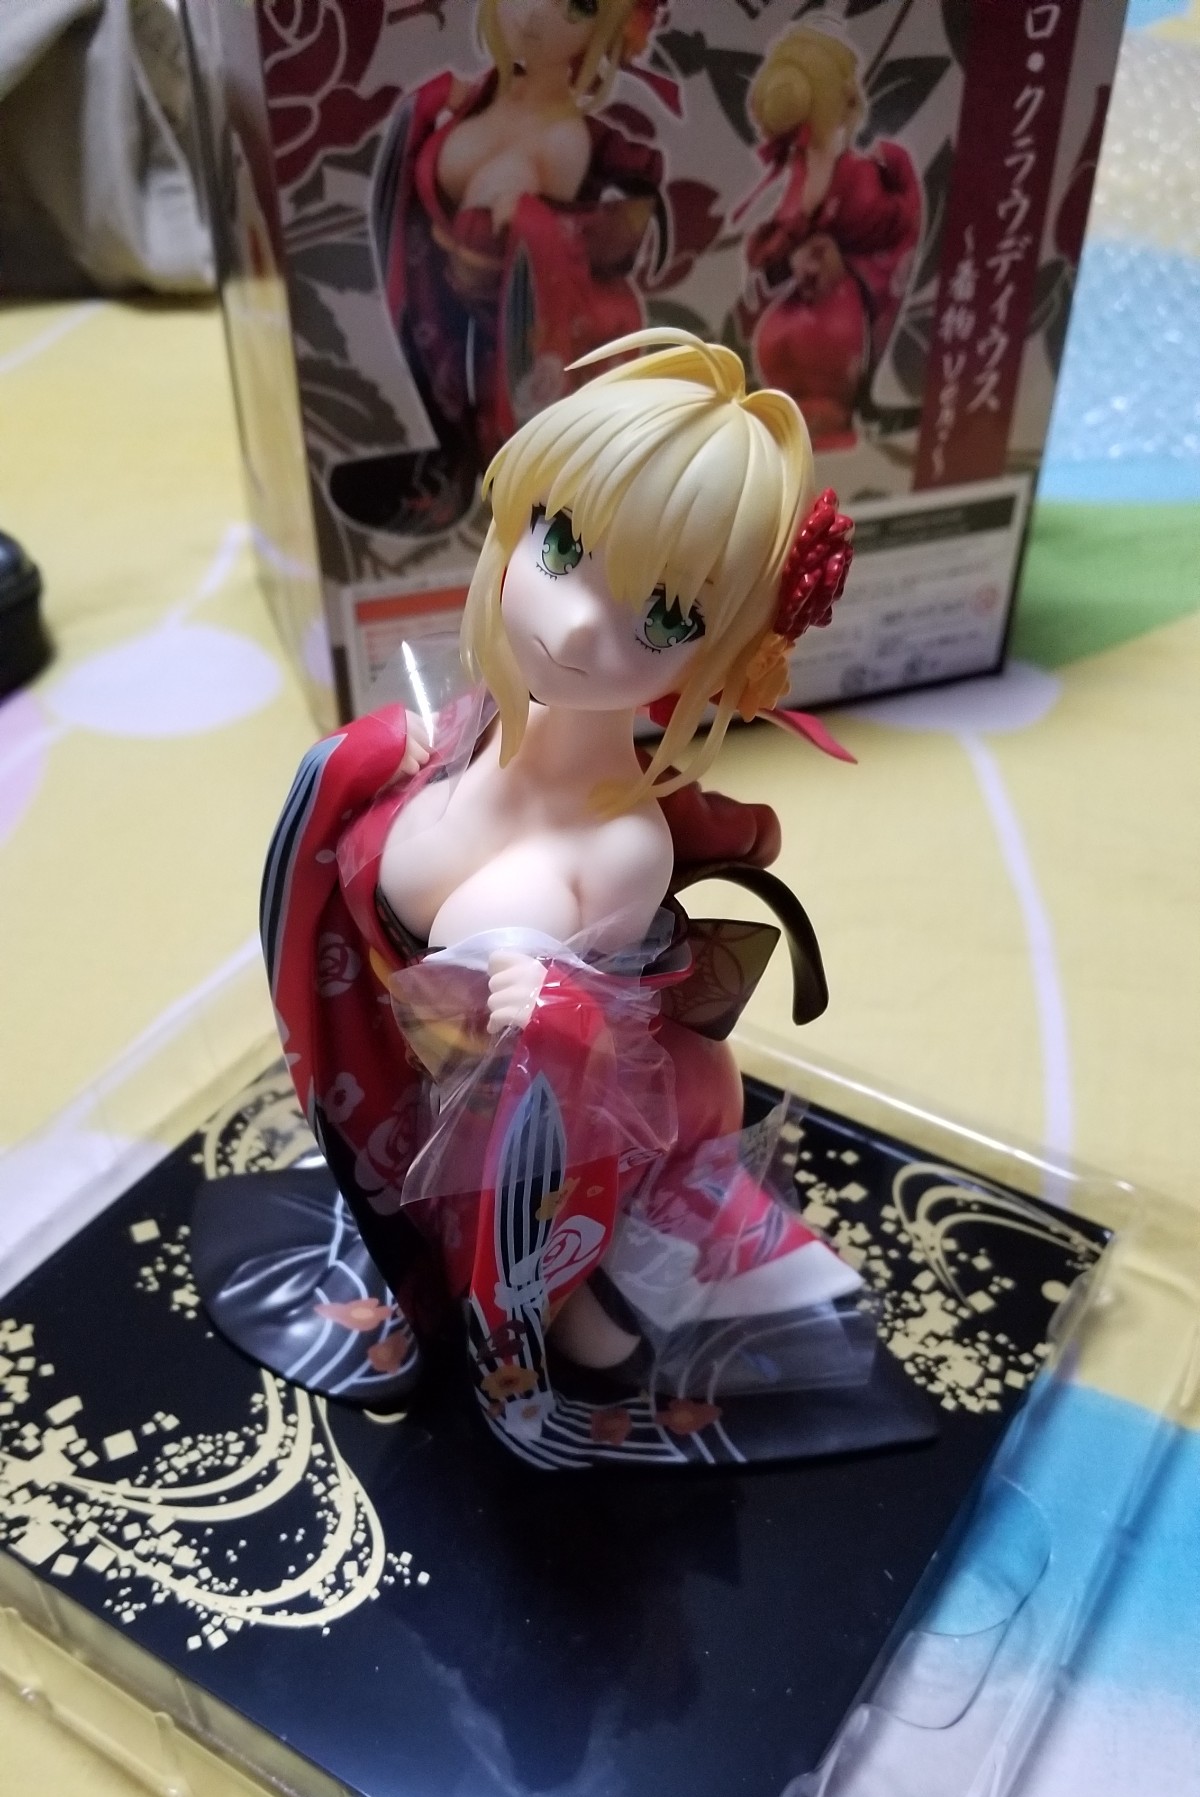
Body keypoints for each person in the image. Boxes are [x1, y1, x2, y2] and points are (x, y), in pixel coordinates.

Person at [231, 332, 872, 1468]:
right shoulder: (452, 734)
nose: (577, 626)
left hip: (534, 1160)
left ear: (717, 658)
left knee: (574, 1315)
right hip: (399, 1100)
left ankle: (619, 1285)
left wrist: (546, 1009)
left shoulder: (621, 847)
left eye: (664, 617)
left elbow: (582, 1073)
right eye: (562, 543)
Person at [329, 0, 668, 537]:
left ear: (604, 32)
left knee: (518, 453)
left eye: (576, 7)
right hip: (437, 310)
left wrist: (535, 218)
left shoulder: (577, 141)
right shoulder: (470, 101)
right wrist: (429, 104)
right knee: (441, 410)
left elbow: (604, 241)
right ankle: (449, 470)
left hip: (519, 325)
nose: (532, 14)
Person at [738, 28, 921, 450]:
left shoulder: (854, 177)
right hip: (791, 327)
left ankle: (828, 422)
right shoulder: (803, 172)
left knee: (819, 395)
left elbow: (889, 222)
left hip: (836, 331)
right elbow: (771, 246)